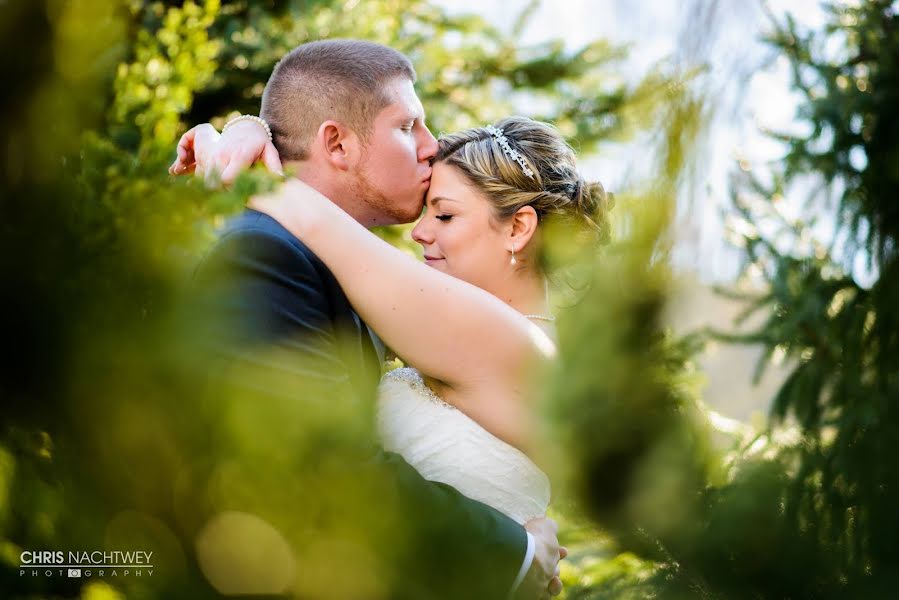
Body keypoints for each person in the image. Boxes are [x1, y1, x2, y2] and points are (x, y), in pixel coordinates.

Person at [179, 39, 569, 599]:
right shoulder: (268, 254)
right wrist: (517, 553)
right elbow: (307, 466)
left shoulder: (357, 281)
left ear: (519, 229)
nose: (428, 147)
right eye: (408, 125)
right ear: (335, 143)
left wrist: (242, 146)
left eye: (448, 214)